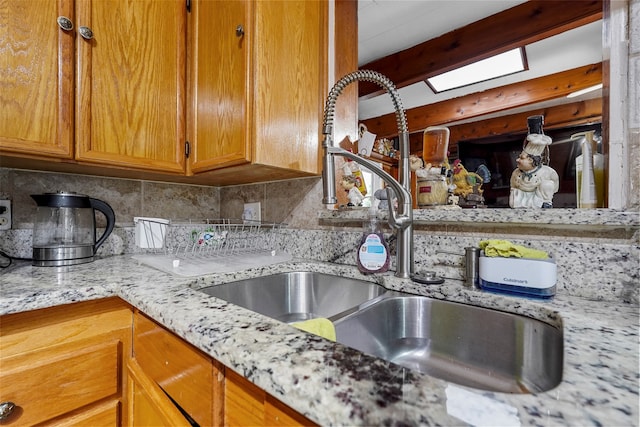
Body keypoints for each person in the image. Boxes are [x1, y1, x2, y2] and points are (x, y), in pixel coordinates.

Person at [509, 134, 559, 208]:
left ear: (531, 160)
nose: (517, 160)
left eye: (522, 158)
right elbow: (513, 186)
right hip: (521, 199)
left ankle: (545, 205)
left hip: (539, 198)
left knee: (547, 184)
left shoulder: (548, 172)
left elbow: (554, 188)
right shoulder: (516, 173)